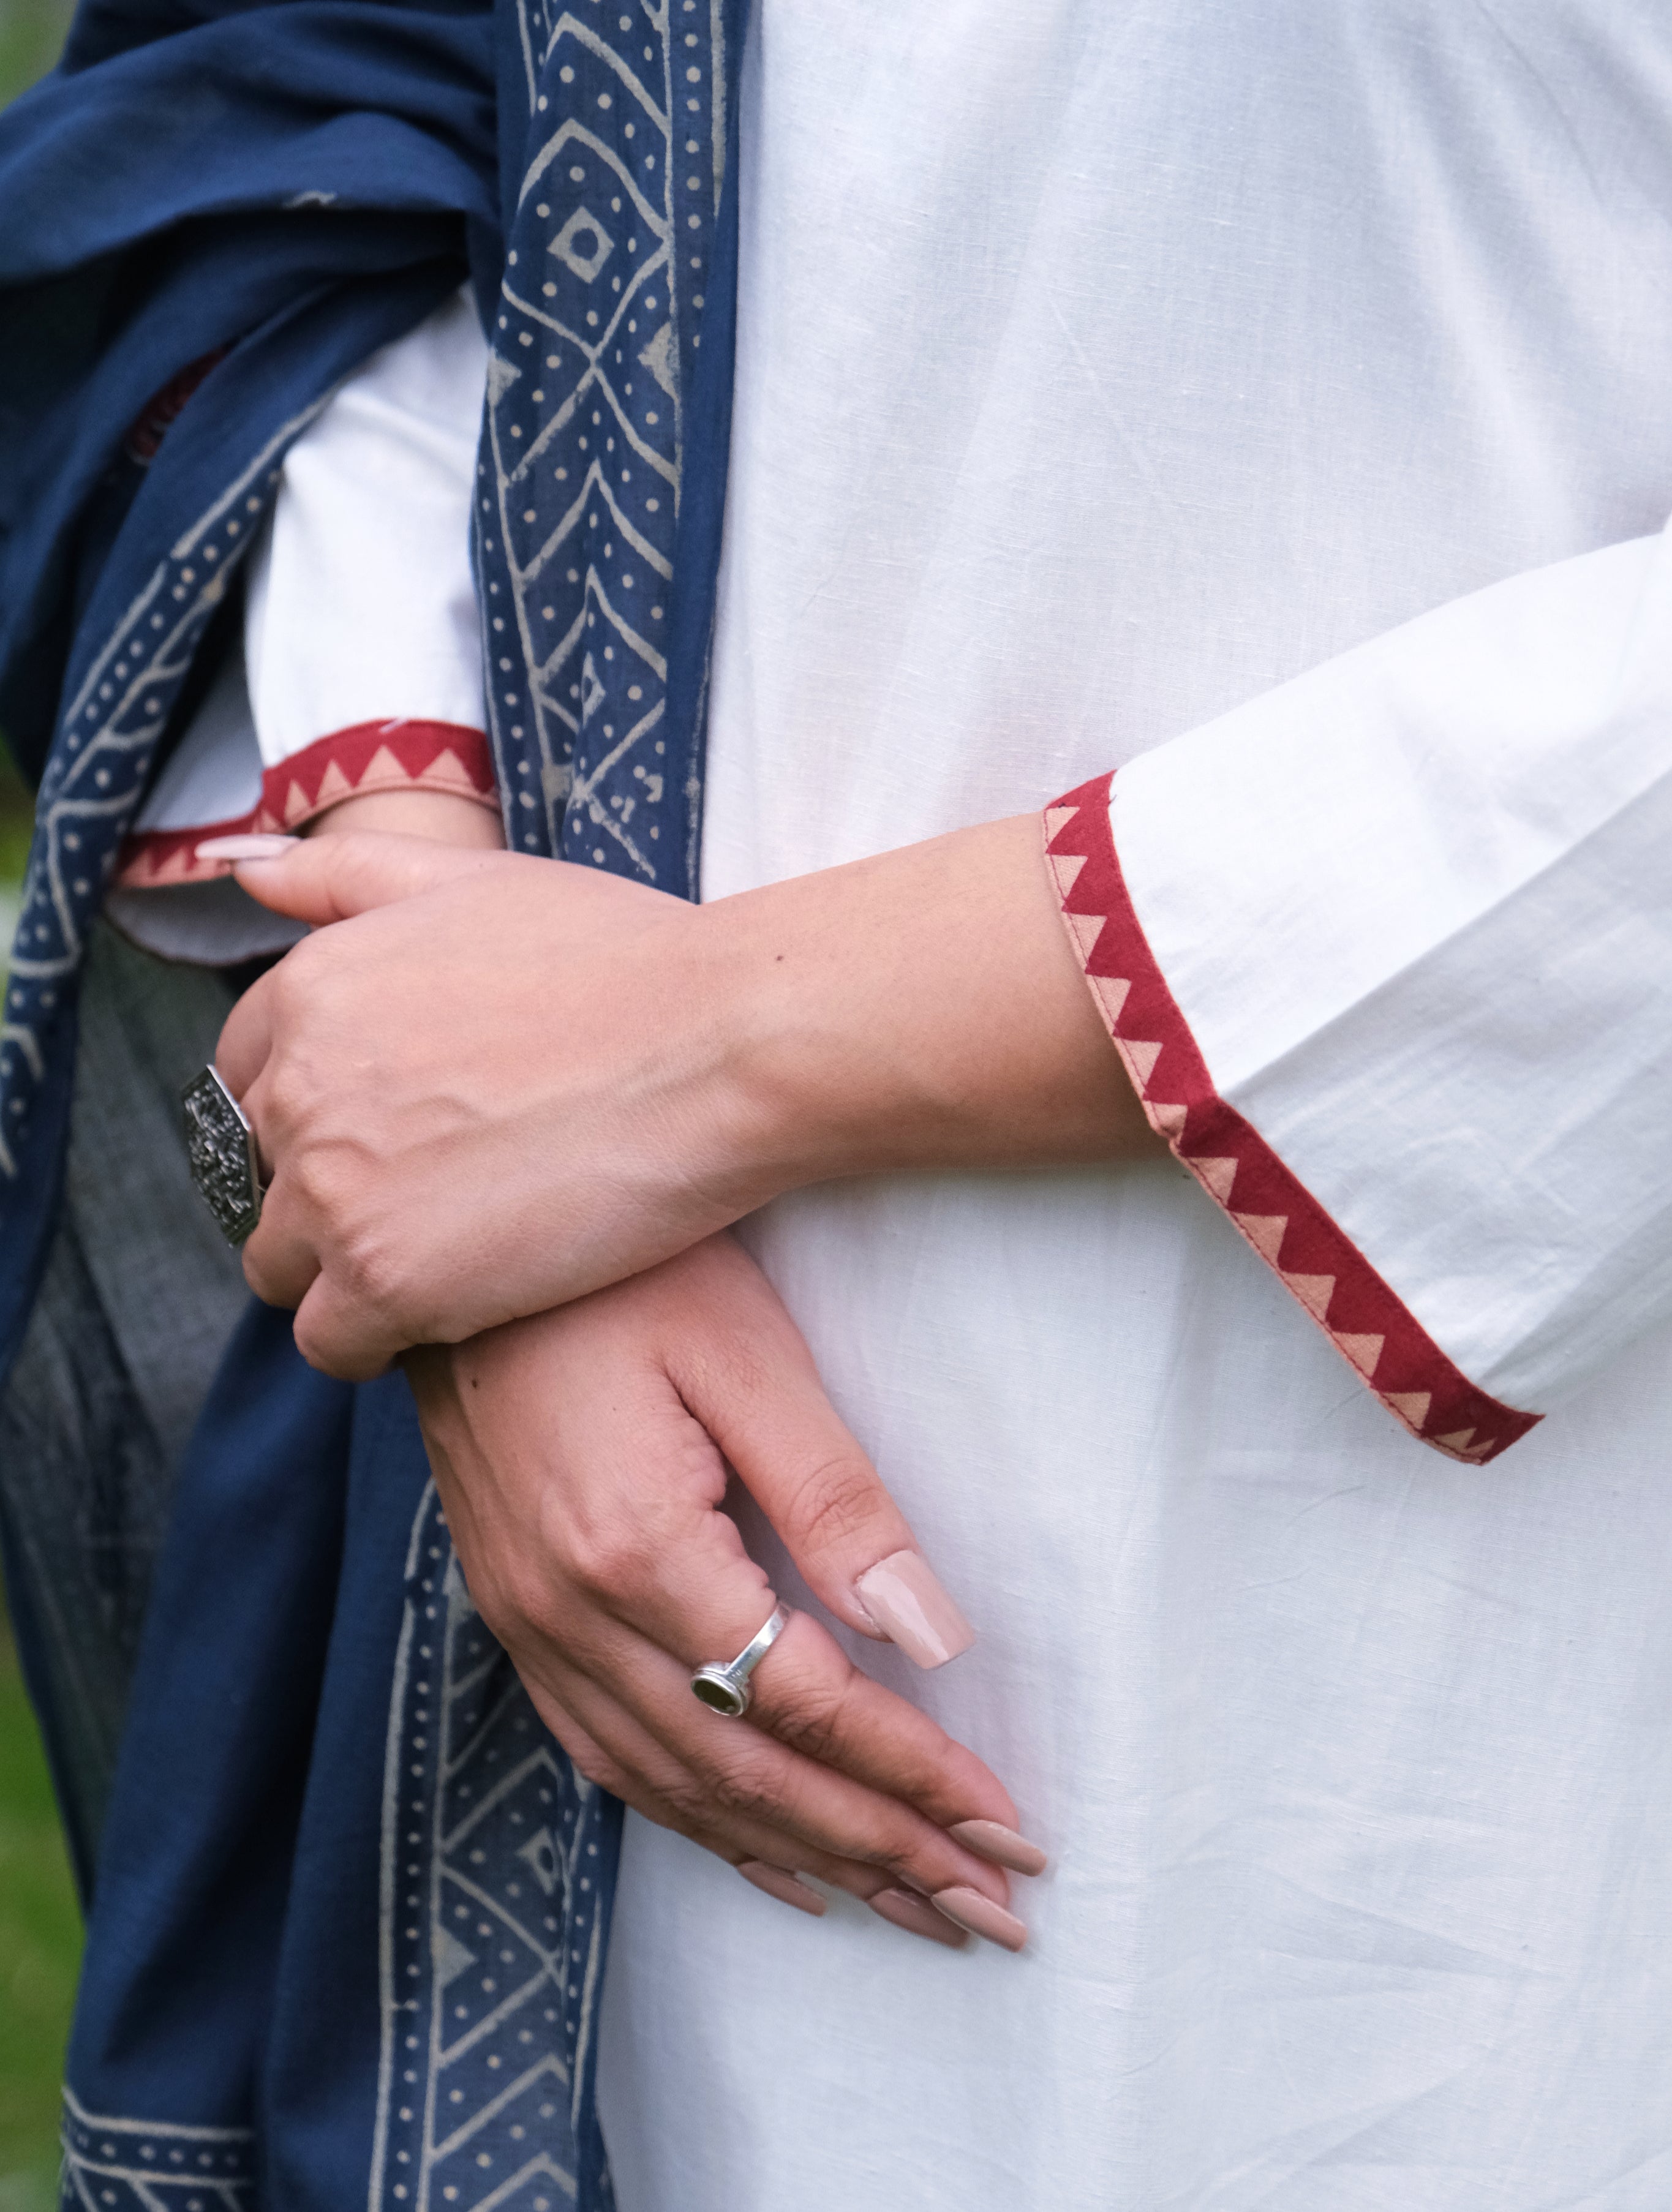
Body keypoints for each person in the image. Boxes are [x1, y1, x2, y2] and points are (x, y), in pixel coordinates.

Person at [7, 2, 1672, 2209]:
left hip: (1485, 1575)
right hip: (579, 1569)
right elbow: (333, 102)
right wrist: (435, 1054)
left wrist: (687, 1055)